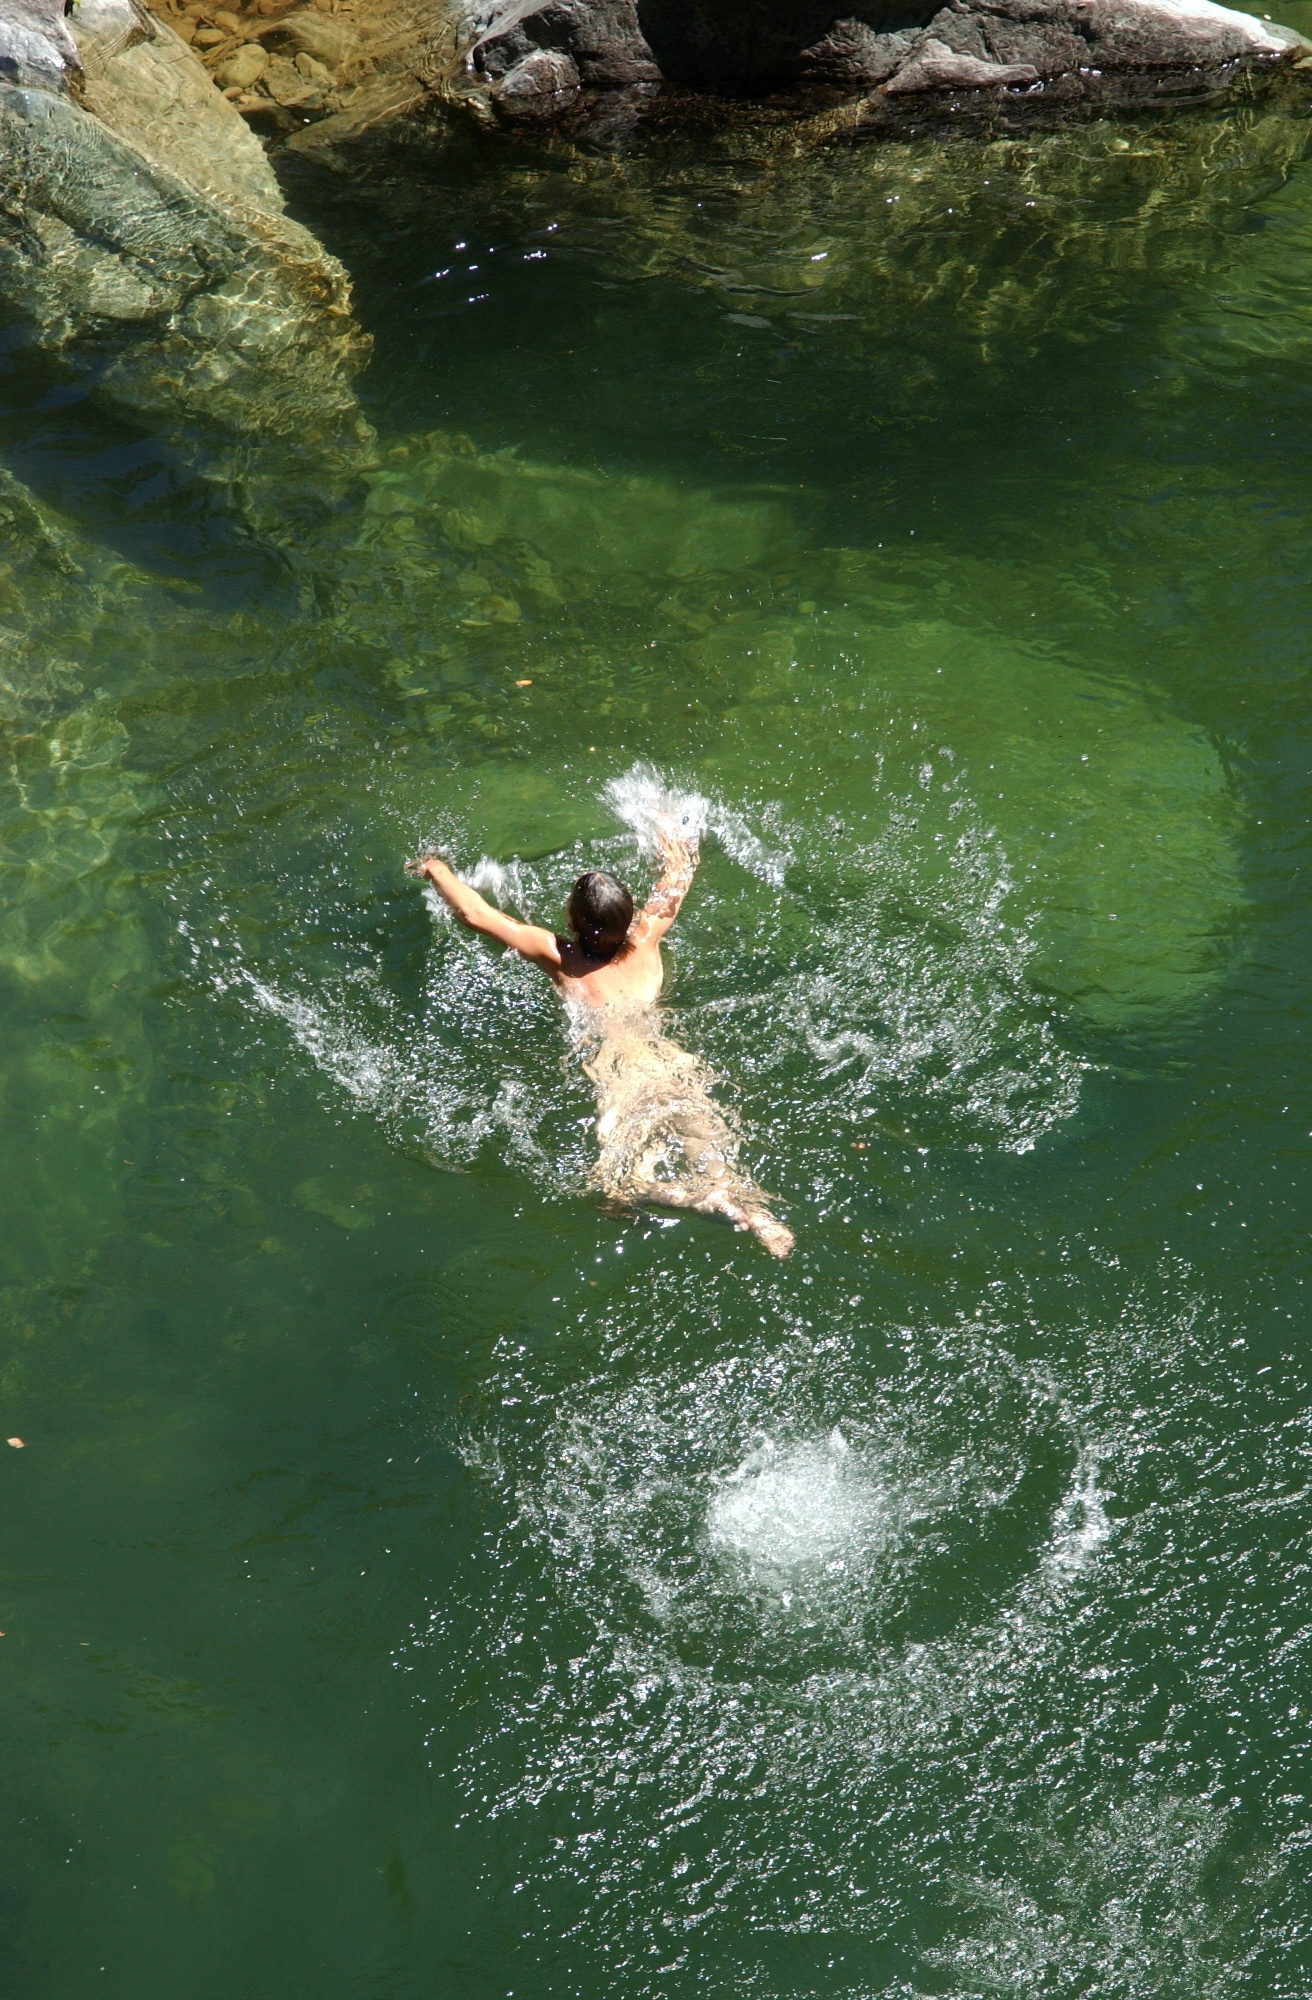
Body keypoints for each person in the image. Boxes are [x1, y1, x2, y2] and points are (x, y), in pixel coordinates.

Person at [407, 830, 793, 1256]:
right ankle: (755, 1214)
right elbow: (679, 873)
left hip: (619, 1077)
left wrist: (434, 867)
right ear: (628, 920)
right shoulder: (647, 937)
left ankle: (691, 1200)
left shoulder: (560, 956)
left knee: (614, 1192)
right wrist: (667, 826)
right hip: (672, 1066)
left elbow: (475, 915)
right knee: (714, 1158)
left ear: (571, 923)